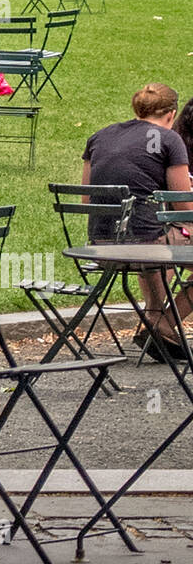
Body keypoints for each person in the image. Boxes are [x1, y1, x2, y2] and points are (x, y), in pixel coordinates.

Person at [83, 84, 193, 362]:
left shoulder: (99, 136)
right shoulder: (169, 140)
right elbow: (184, 207)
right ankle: (165, 322)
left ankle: (154, 317)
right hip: (144, 247)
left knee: (149, 233)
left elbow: (87, 202)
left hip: (101, 247)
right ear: (171, 114)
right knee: (156, 237)